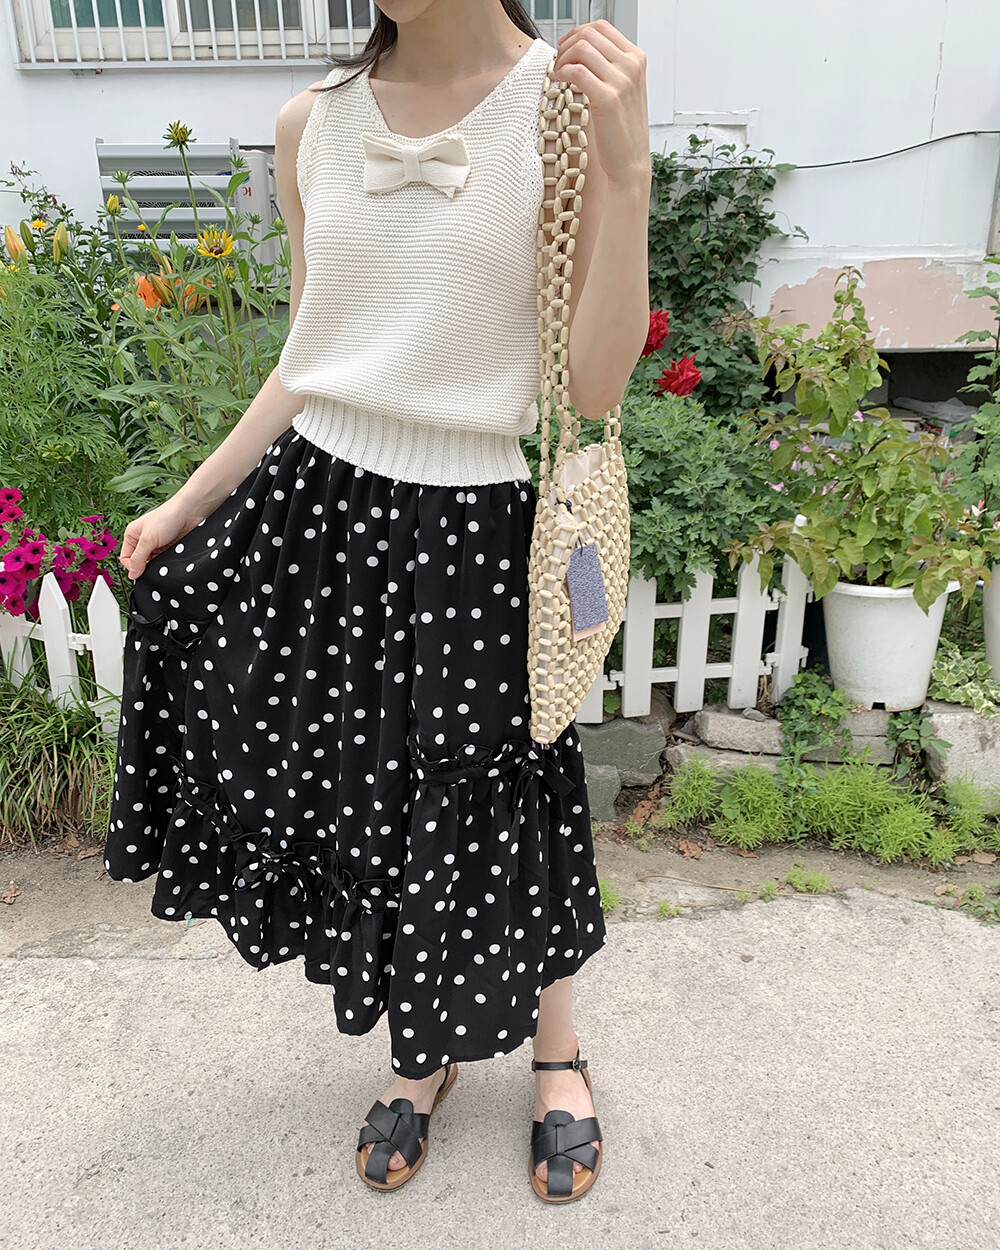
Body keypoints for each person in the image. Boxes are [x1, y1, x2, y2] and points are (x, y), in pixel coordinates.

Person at [104, 0, 650, 1203]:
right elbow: (308, 356)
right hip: (322, 512)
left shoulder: (561, 111)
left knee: (506, 783)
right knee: (372, 792)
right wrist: (191, 499)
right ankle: (425, 1045)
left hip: (473, 528)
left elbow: (595, 379)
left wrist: (628, 174)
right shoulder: (311, 123)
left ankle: (556, 1049)